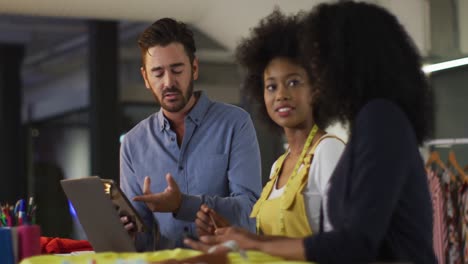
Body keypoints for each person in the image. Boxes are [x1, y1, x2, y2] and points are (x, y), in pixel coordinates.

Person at [185, 2, 437, 263]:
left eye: (322, 58)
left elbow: (355, 243)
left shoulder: (381, 119)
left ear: (349, 60)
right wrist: (245, 239)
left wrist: (252, 243)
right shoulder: (371, 121)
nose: (319, 70)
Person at [194, 10, 344, 238]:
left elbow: (343, 246)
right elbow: (268, 244)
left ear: (316, 89)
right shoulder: (278, 166)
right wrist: (230, 233)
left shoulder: (328, 151)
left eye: (293, 82)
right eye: (271, 86)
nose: (281, 95)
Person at [119, 17, 262, 251]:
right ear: (145, 78)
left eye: (177, 70)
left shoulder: (235, 123)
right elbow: (142, 239)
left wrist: (183, 205)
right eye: (158, 73)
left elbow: (249, 212)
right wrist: (128, 232)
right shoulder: (133, 143)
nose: (168, 82)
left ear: (194, 68)